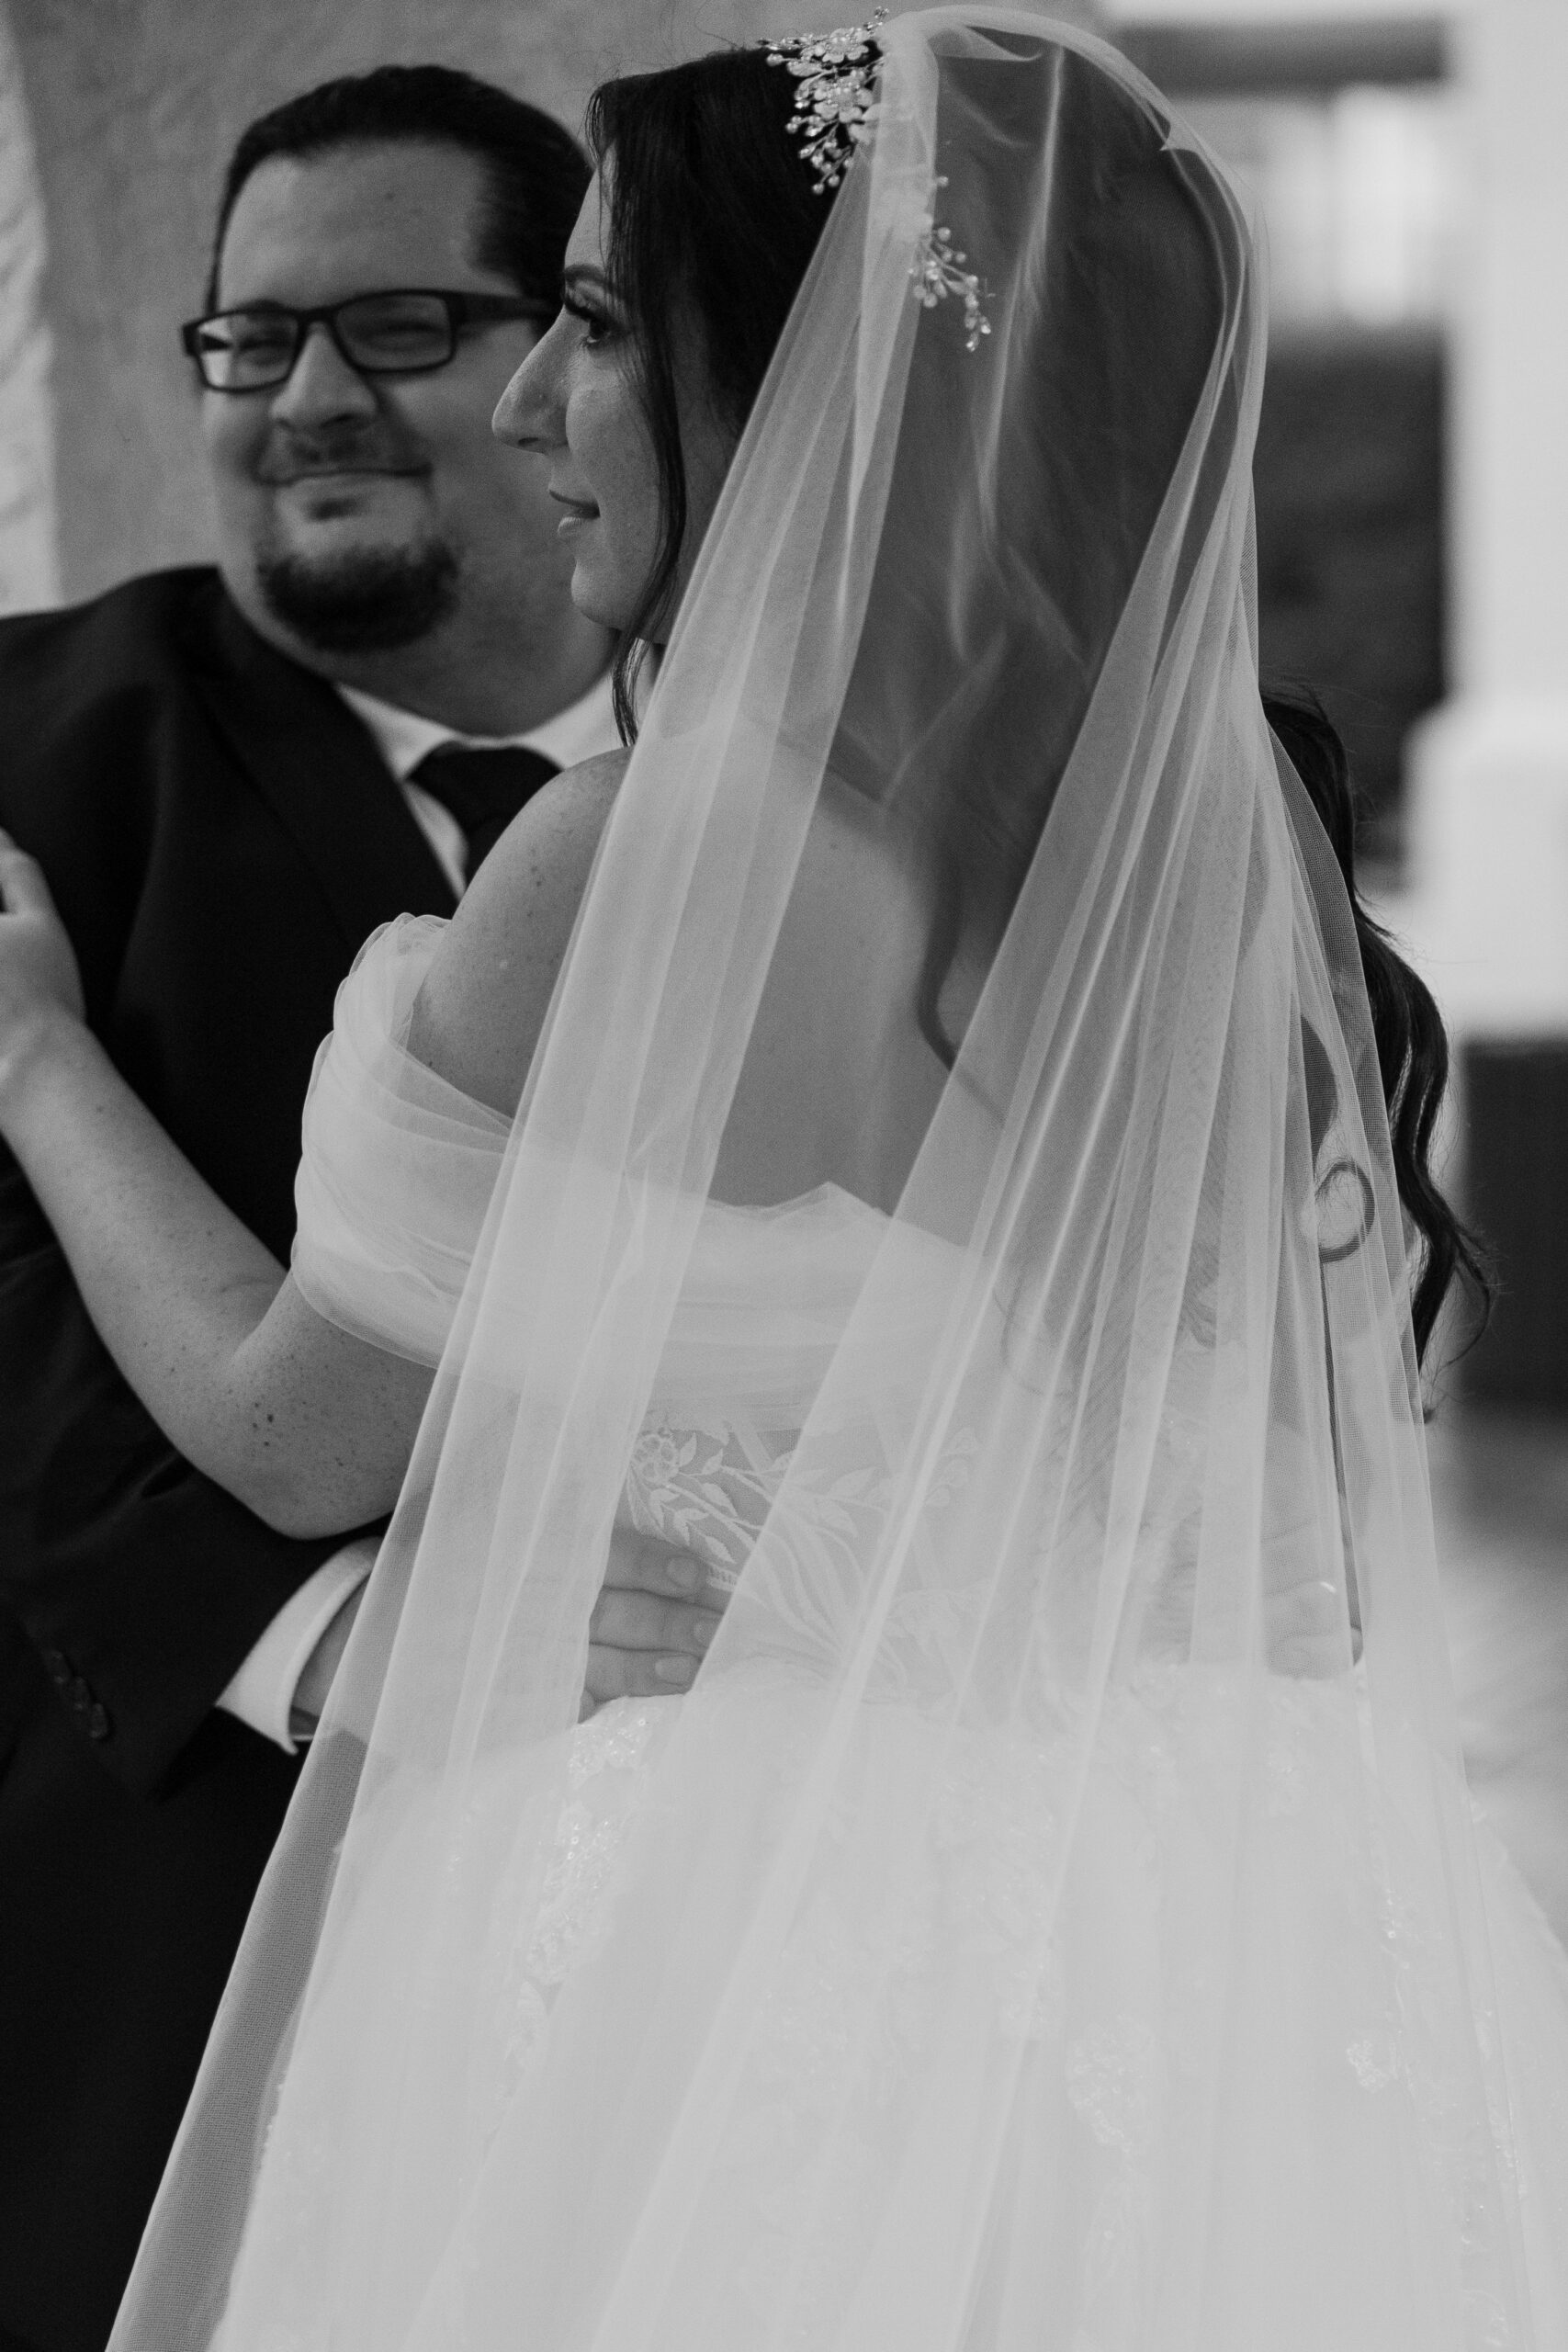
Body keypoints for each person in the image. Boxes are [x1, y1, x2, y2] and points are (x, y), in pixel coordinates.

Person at [4, 12, 1568, 2346]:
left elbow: (286, 1423)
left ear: (814, 387)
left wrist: (33, 1054)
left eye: (602, 326)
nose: (539, 403)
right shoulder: (1220, 903)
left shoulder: (647, 866)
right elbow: (1260, 1530)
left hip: (725, 1927)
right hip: (1205, 1901)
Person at [0, 63, 717, 2352]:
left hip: (766, 1947)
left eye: (395, 324)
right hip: (169, 1917)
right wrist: (324, 1649)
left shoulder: (833, 800)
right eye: (247, 338)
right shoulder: (33, 755)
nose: (303, 400)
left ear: (560, 360)